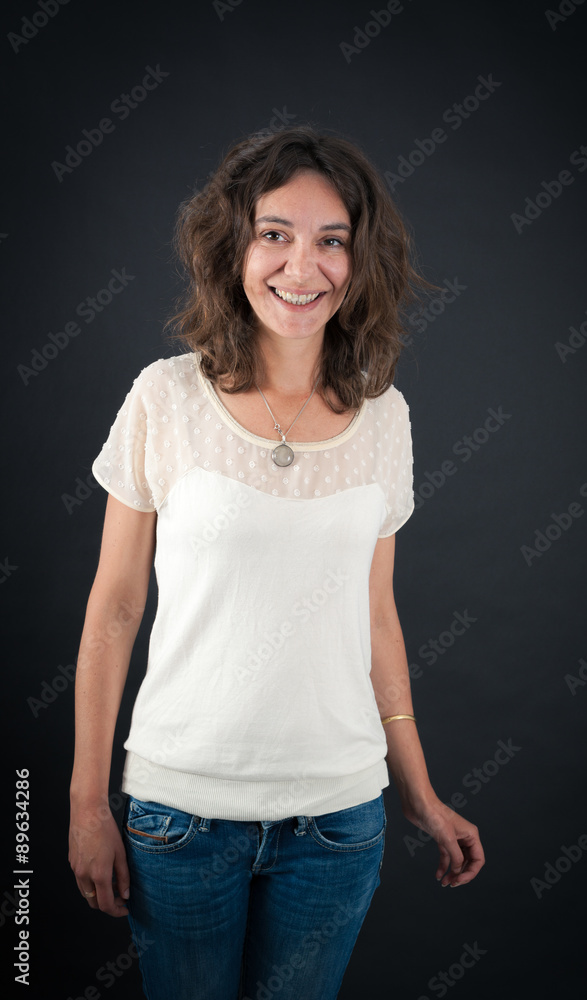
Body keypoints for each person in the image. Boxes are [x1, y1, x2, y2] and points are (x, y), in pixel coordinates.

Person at [68, 125, 485, 1000]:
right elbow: (113, 608)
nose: (304, 266)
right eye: (274, 234)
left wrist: (419, 792)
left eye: (332, 240)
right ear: (233, 247)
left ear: (359, 260)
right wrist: (84, 802)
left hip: (337, 824)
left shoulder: (386, 418)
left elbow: (374, 615)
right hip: (179, 818)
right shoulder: (163, 397)